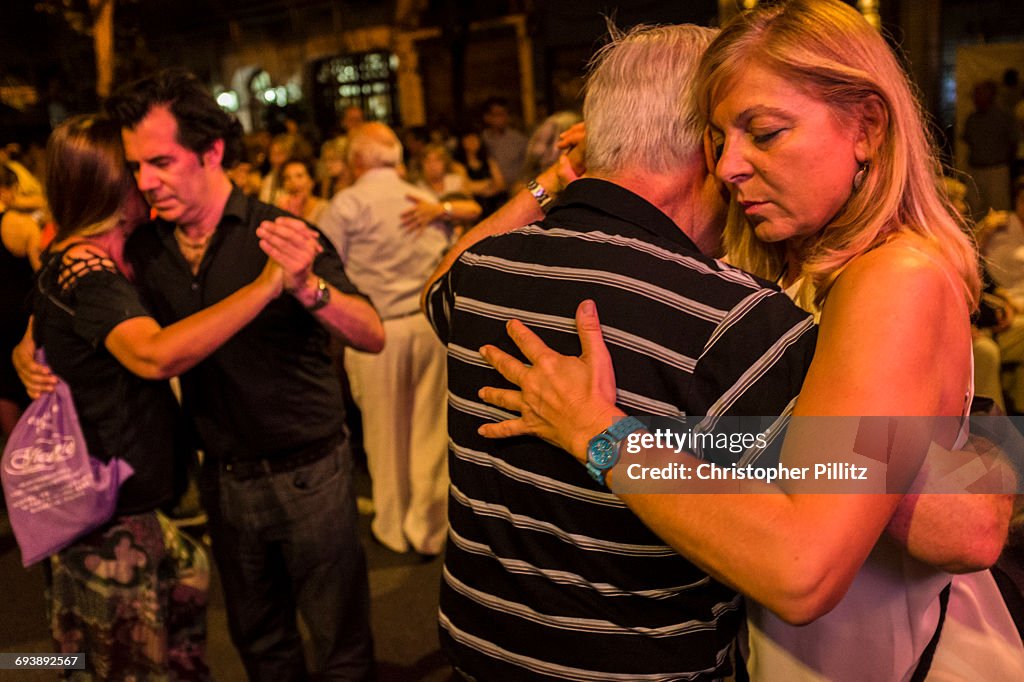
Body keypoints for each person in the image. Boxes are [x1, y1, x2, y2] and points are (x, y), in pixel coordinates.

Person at [472, 2, 1022, 680]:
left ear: (868, 127)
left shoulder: (893, 277)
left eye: (764, 133)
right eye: (719, 138)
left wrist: (604, 435)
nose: (730, 166)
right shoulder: (813, 268)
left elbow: (802, 570)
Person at [16, 70, 384, 682]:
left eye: (161, 161)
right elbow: (69, 307)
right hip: (220, 479)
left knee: (340, 646)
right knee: (260, 642)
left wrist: (307, 286)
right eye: (136, 166)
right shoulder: (146, 247)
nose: (146, 181)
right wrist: (23, 351)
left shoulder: (278, 233)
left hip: (309, 474)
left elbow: (372, 333)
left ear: (211, 152)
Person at [27, 114, 286, 679]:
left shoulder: (85, 257)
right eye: (137, 168)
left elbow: (39, 331)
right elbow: (156, 354)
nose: (150, 180)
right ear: (110, 185)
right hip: (111, 522)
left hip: (124, 509)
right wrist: (266, 286)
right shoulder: (87, 272)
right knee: (127, 665)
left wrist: (24, 351)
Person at [318, 122, 454, 557]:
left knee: (384, 432)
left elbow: (325, 265)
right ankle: (429, 525)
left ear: (358, 160)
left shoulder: (347, 204)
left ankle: (393, 525)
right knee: (430, 431)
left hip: (376, 329)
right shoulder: (426, 201)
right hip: (427, 324)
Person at [0, 163, 39, 437]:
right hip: (19, 315)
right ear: (8, 190)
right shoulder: (20, 225)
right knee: (26, 381)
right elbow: (45, 275)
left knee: (2, 386)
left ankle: (11, 452)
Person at [480, 97, 528, 195]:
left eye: (504, 114)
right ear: (487, 117)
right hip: (488, 192)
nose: (501, 118)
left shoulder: (519, 140)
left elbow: (528, 168)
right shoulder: (481, 139)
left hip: (515, 192)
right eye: (497, 115)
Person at [276, 157, 328, 225]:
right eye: (287, 178)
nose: (293, 181)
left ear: (311, 181)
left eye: (299, 176)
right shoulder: (281, 207)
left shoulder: (324, 209)